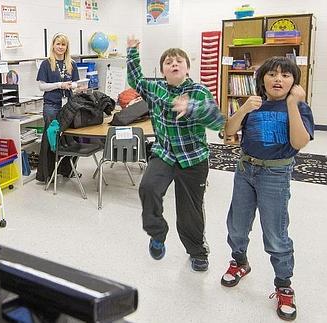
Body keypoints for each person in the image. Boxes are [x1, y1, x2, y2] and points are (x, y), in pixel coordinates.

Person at [220, 56, 314, 321]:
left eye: (286, 75)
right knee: (237, 225)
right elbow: (228, 133)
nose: (278, 79)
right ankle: (239, 262)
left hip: (276, 173)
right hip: (245, 170)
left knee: (275, 233)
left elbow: (299, 142)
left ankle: (284, 284)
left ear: (294, 82)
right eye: (272, 74)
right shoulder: (253, 105)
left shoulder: (299, 107)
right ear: (261, 79)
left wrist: (294, 104)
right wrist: (243, 109)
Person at [126, 37, 225, 271]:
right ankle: (157, 234)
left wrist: (191, 107)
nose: (174, 64)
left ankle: (197, 252)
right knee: (148, 188)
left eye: (179, 61)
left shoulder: (199, 91)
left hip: (194, 158)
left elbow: (217, 120)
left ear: (187, 67)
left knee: (189, 210)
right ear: (162, 70)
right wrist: (132, 51)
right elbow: (135, 79)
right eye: (168, 62)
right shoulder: (155, 88)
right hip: (165, 154)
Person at [35, 33, 80, 182]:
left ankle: (67, 171)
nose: (60, 47)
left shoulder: (71, 63)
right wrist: (59, 85)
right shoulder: (46, 64)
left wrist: (73, 86)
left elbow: (76, 83)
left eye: (63, 44)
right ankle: (47, 174)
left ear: (67, 47)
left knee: (69, 137)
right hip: (51, 105)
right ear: (53, 45)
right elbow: (42, 86)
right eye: (58, 44)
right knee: (50, 138)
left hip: (68, 105)